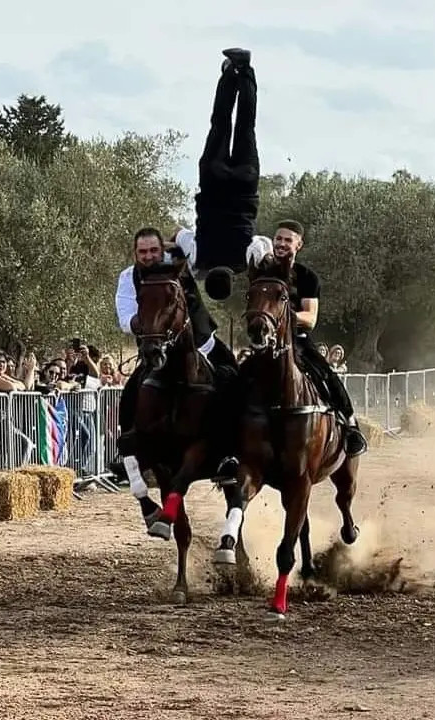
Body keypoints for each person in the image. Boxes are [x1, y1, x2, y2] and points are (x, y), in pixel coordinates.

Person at [110, 225, 238, 518]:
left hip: (202, 344)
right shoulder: (128, 277)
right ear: (135, 253)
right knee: (132, 392)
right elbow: (125, 318)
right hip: (158, 351)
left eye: (153, 250)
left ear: (163, 248)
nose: (148, 256)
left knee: (233, 377)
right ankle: (128, 449)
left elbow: (203, 251)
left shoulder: (182, 261)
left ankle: (232, 452)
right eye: (142, 252)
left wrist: (181, 236)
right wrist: (150, 326)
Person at [246, 219, 367, 457]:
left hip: (297, 341)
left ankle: (351, 427)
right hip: (265, 342)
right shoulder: (263, 273)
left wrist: (281, 316)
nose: (281, 244)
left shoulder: (308, 277)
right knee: (239, 377)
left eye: (287, 240)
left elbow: (310, 318)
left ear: (298, 245)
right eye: (278, 239)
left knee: (327, 374)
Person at [191, 48, 261, 301]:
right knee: (220, 123)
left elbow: (264, 244)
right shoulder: (199, 256)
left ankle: (246, 71)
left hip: (245, 188)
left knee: (246, 126)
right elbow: (178, 234)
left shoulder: (246, 260)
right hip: (213, 184)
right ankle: (230, 72)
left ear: (232, 280)